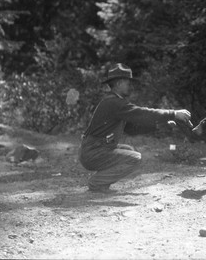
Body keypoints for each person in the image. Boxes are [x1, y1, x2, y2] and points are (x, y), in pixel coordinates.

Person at [79, 63, 192, 193]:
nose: (130, 86)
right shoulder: (114, 103)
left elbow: (131, 129)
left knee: (129, 150)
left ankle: (100, 182)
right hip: (93, 152)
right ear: (119, 83)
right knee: (134, 158)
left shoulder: (113, 101)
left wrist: (161, 124)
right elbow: (142, 113)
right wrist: (173, 113)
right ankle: (97, 183)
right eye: (128, 82)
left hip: (93, 150)